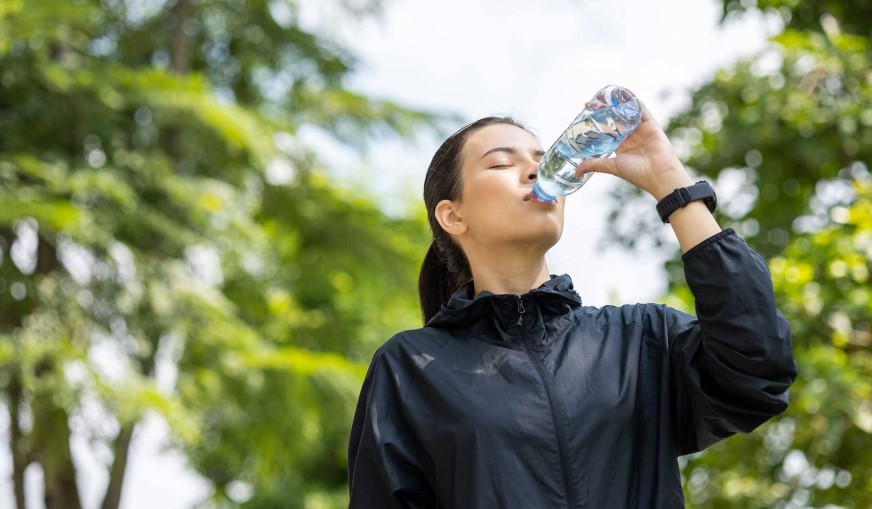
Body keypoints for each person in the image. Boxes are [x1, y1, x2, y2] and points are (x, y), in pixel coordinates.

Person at [346, 102, 797, 508]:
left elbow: (758, 371)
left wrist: (671, 183)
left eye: (544, 161)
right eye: (503, 162)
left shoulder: (640, 340)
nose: (533, 171)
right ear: (453, 215)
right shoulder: (411, 367)